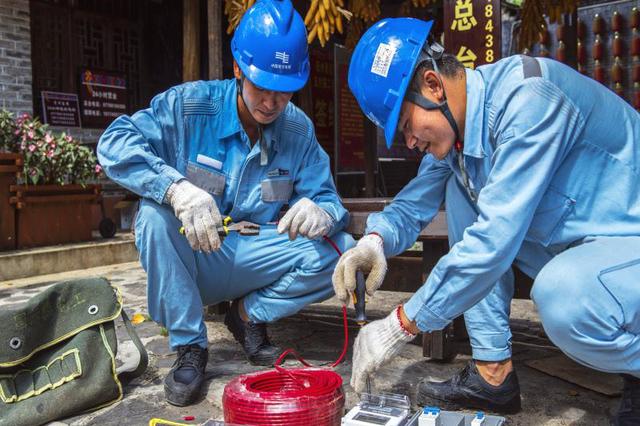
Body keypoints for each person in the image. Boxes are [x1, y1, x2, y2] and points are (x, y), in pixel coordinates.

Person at [333, 17, 640, 424]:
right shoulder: (458, 136)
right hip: (589, 249)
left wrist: (400, 324)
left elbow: (494, 242)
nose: (410, 143)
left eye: (406, 126)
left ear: (432, 86)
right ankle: (492, 373)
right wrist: (374, 241)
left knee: (564, 297)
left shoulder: (530, 101)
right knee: (463, 191)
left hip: (626, 241)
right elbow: (412, 205)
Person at [98, 0, 353, 407]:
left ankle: (248, 316)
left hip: (256, 253)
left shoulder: (297, 128)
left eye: (283, 92)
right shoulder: (189, 106)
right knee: (152, 217)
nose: (272, 103)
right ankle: (190, 345)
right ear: (238, 69)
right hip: (193, 260)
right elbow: (113, 142)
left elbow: (327, 196)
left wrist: (322, 209)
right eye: (262, 87)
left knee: (343, 252)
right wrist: (175, 189)